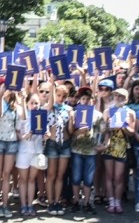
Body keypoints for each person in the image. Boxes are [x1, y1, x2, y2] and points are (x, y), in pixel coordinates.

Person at [68, 87, 103, 214]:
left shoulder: (97, 114)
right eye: (83, 98)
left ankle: (87, 202)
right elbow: (71, 133)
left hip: (91, 150)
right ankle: (76, 201)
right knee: (76, 177)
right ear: (79, 100)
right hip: (77, 149)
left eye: (88, 99)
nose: (86, 101)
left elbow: (102, 131)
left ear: (91, 100)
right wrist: (78, 131)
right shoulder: (75, 113)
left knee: (88, 179)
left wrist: (102, 144)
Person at [102, 87, 135, 214]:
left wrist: (125, 125)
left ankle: (118, 201)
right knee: (109, 175)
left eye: (121, 96)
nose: (118, 98)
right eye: (116, 95)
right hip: (109, 146)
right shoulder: (107, 111)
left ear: (126, 99)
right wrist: (108, 126)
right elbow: (101, 130)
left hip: (122, 147)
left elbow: (132, 132)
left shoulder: (130, 113)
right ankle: (111, 201)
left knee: (119, 177)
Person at [0, 85, 22, 217]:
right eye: (4, 88)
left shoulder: (15, 105)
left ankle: (5, 204)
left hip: (11, 142)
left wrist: (21, 99)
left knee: (6, 174)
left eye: (8, 88)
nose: (6, 90)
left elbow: (21, 120)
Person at [44, 84, 72, 216]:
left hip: (65, 143)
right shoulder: (49, 107)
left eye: (64, 96)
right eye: (59, 95)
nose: (61, 98)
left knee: (61, 175)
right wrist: (52, 82)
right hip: (52, 143)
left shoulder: (69, 109)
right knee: (51, 175)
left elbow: (70, 130)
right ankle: (50, 202)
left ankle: (57, 201)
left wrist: (72, 118)